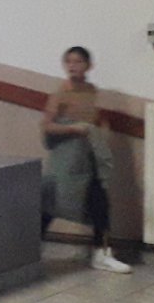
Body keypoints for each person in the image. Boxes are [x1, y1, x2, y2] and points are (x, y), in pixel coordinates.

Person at [40, 46, 129, 274]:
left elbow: (93, 121)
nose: (73, 66)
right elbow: (47, 127)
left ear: (88, 66)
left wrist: (98, 133)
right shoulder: (60, 93)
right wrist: (73, 129)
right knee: (51, 204)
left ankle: (101, 253)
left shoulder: (91, 91)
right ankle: (28, 250)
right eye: (69, 62)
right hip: (65, 160)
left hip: (87, 159)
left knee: (100, 202)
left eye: (78, 61)